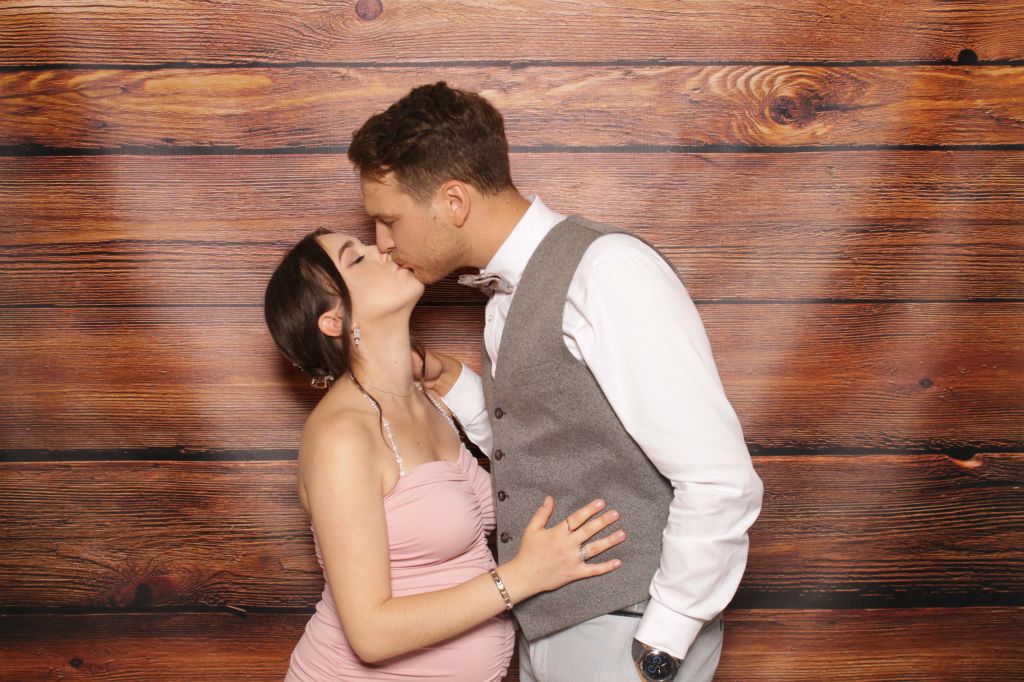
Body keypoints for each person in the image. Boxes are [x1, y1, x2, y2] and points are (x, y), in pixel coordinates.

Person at [347, 82, 765, 681]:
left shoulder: (607, 271)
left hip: (626, 630)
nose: (383, 243)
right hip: (551, 628)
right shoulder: (506, 291)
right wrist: (456, 384)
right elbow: (546, 443)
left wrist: (662, 641)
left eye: (389, 220)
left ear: (454, 201)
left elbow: (719, 478)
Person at [263, 228, 627, 681]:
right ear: (333, 322)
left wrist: (450, 374)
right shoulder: (342, 436)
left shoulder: (427, 399)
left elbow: (525, 456)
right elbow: (371, 634)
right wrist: (524, 576)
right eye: (356, 258)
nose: (383, 248)